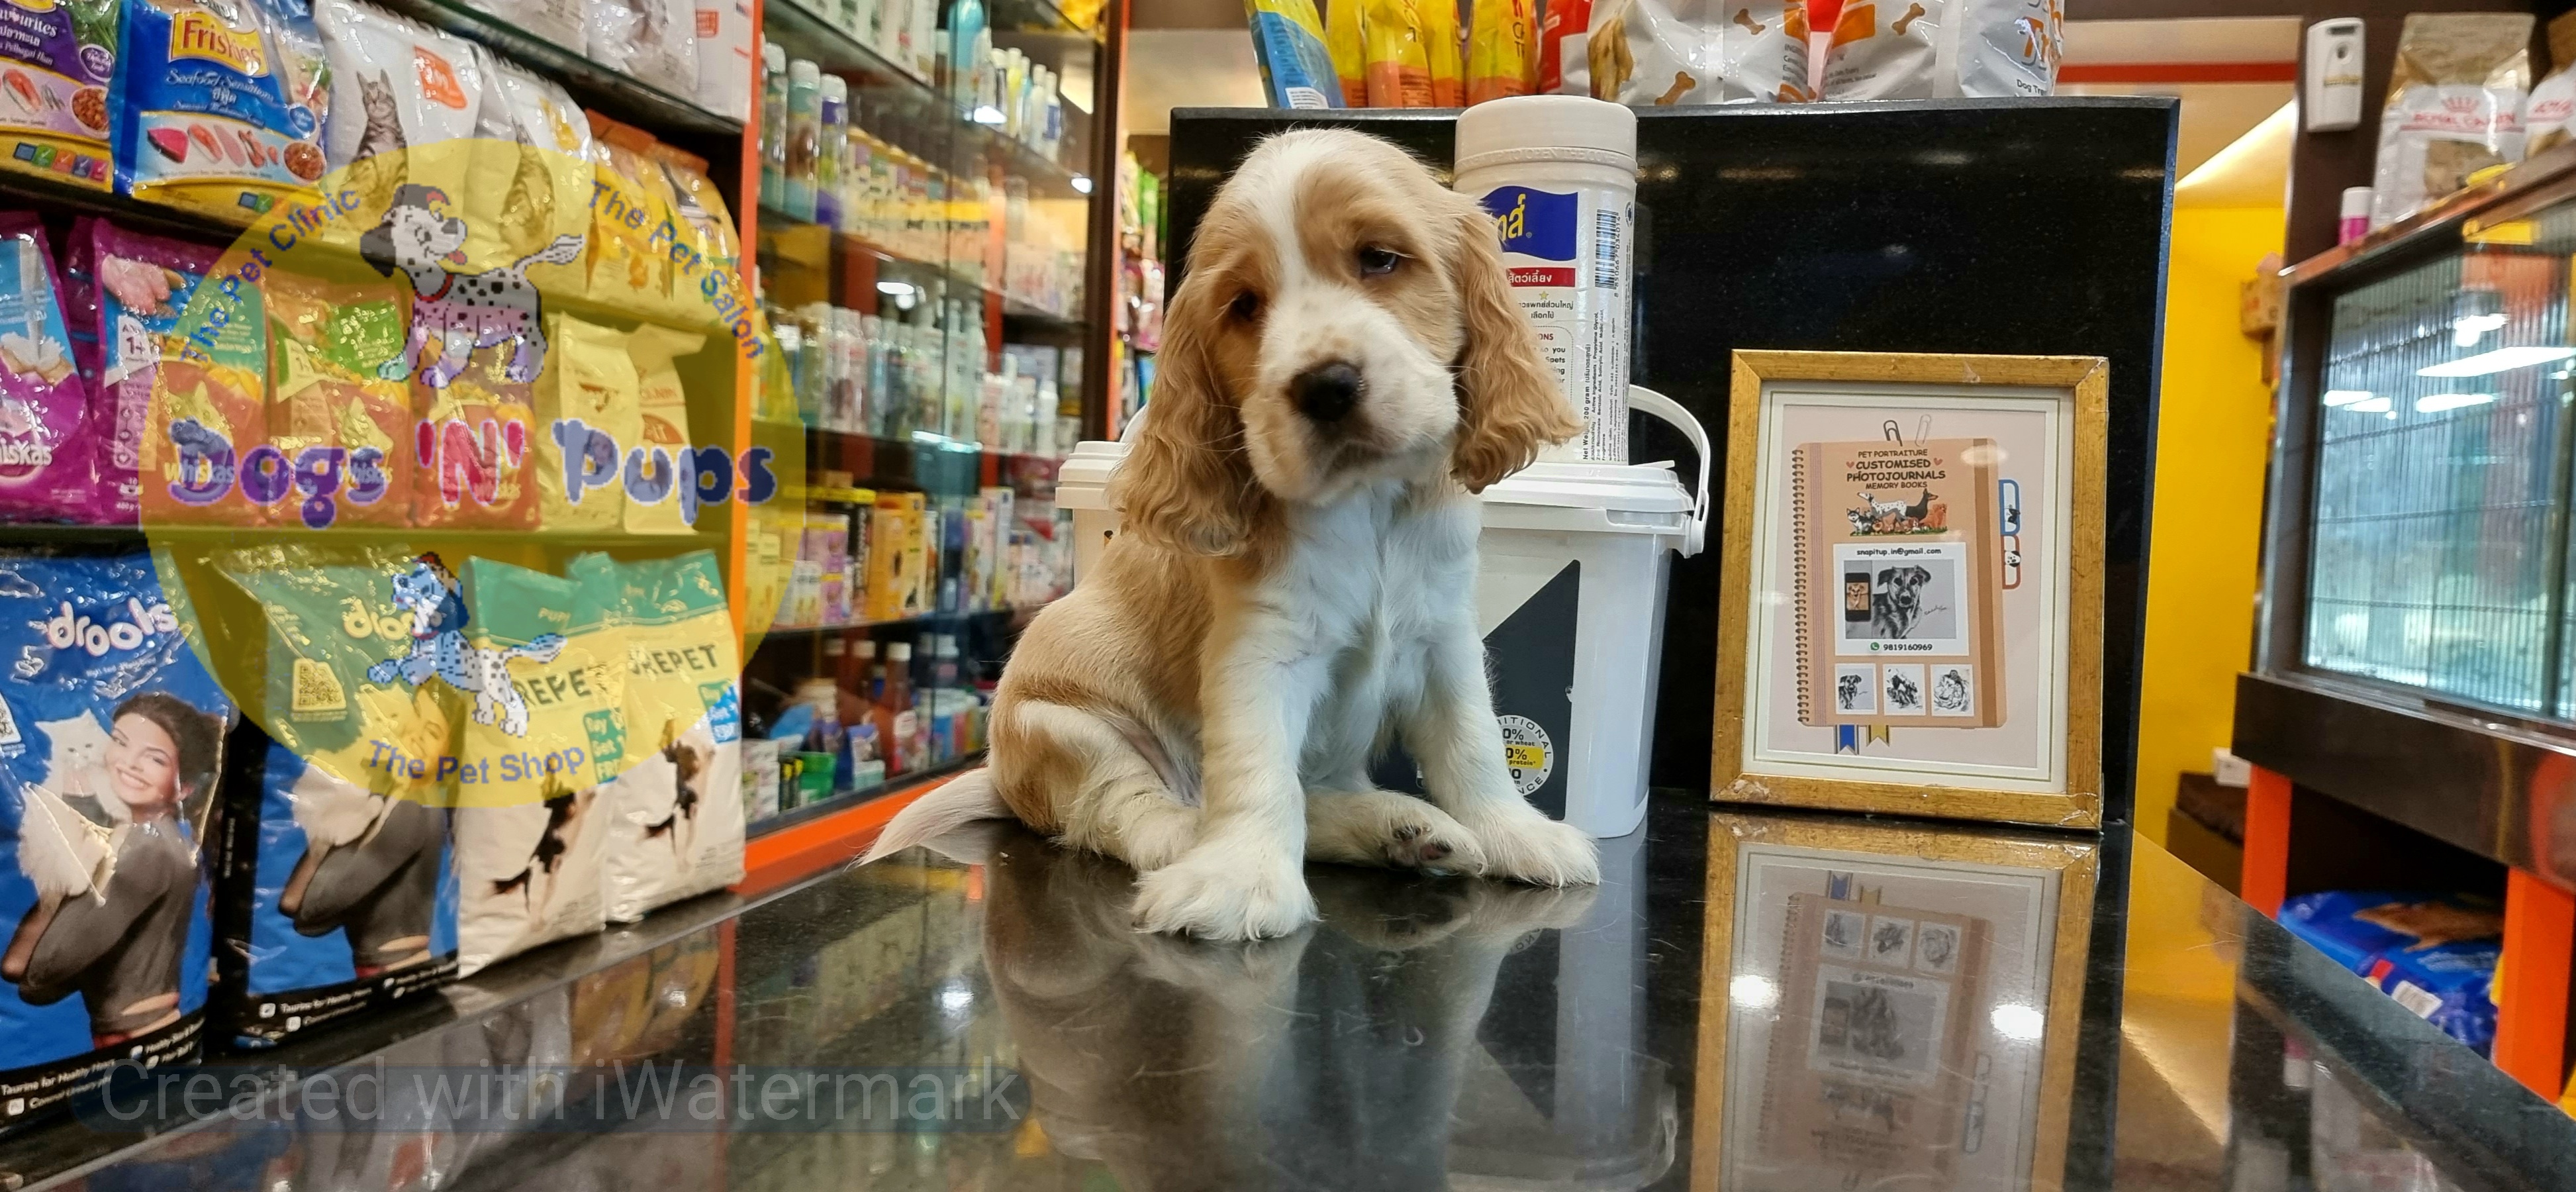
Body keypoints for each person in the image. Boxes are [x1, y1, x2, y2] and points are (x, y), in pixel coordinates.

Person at [5, 692, 220, 1046]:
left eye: (154, 758)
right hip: (145, 1029)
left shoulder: (144, 851)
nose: (128, 763)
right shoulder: (145, 842)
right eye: (120, 742)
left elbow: (34, 974)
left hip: (135, 1036)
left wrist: (66, 873)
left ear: (184, 789)